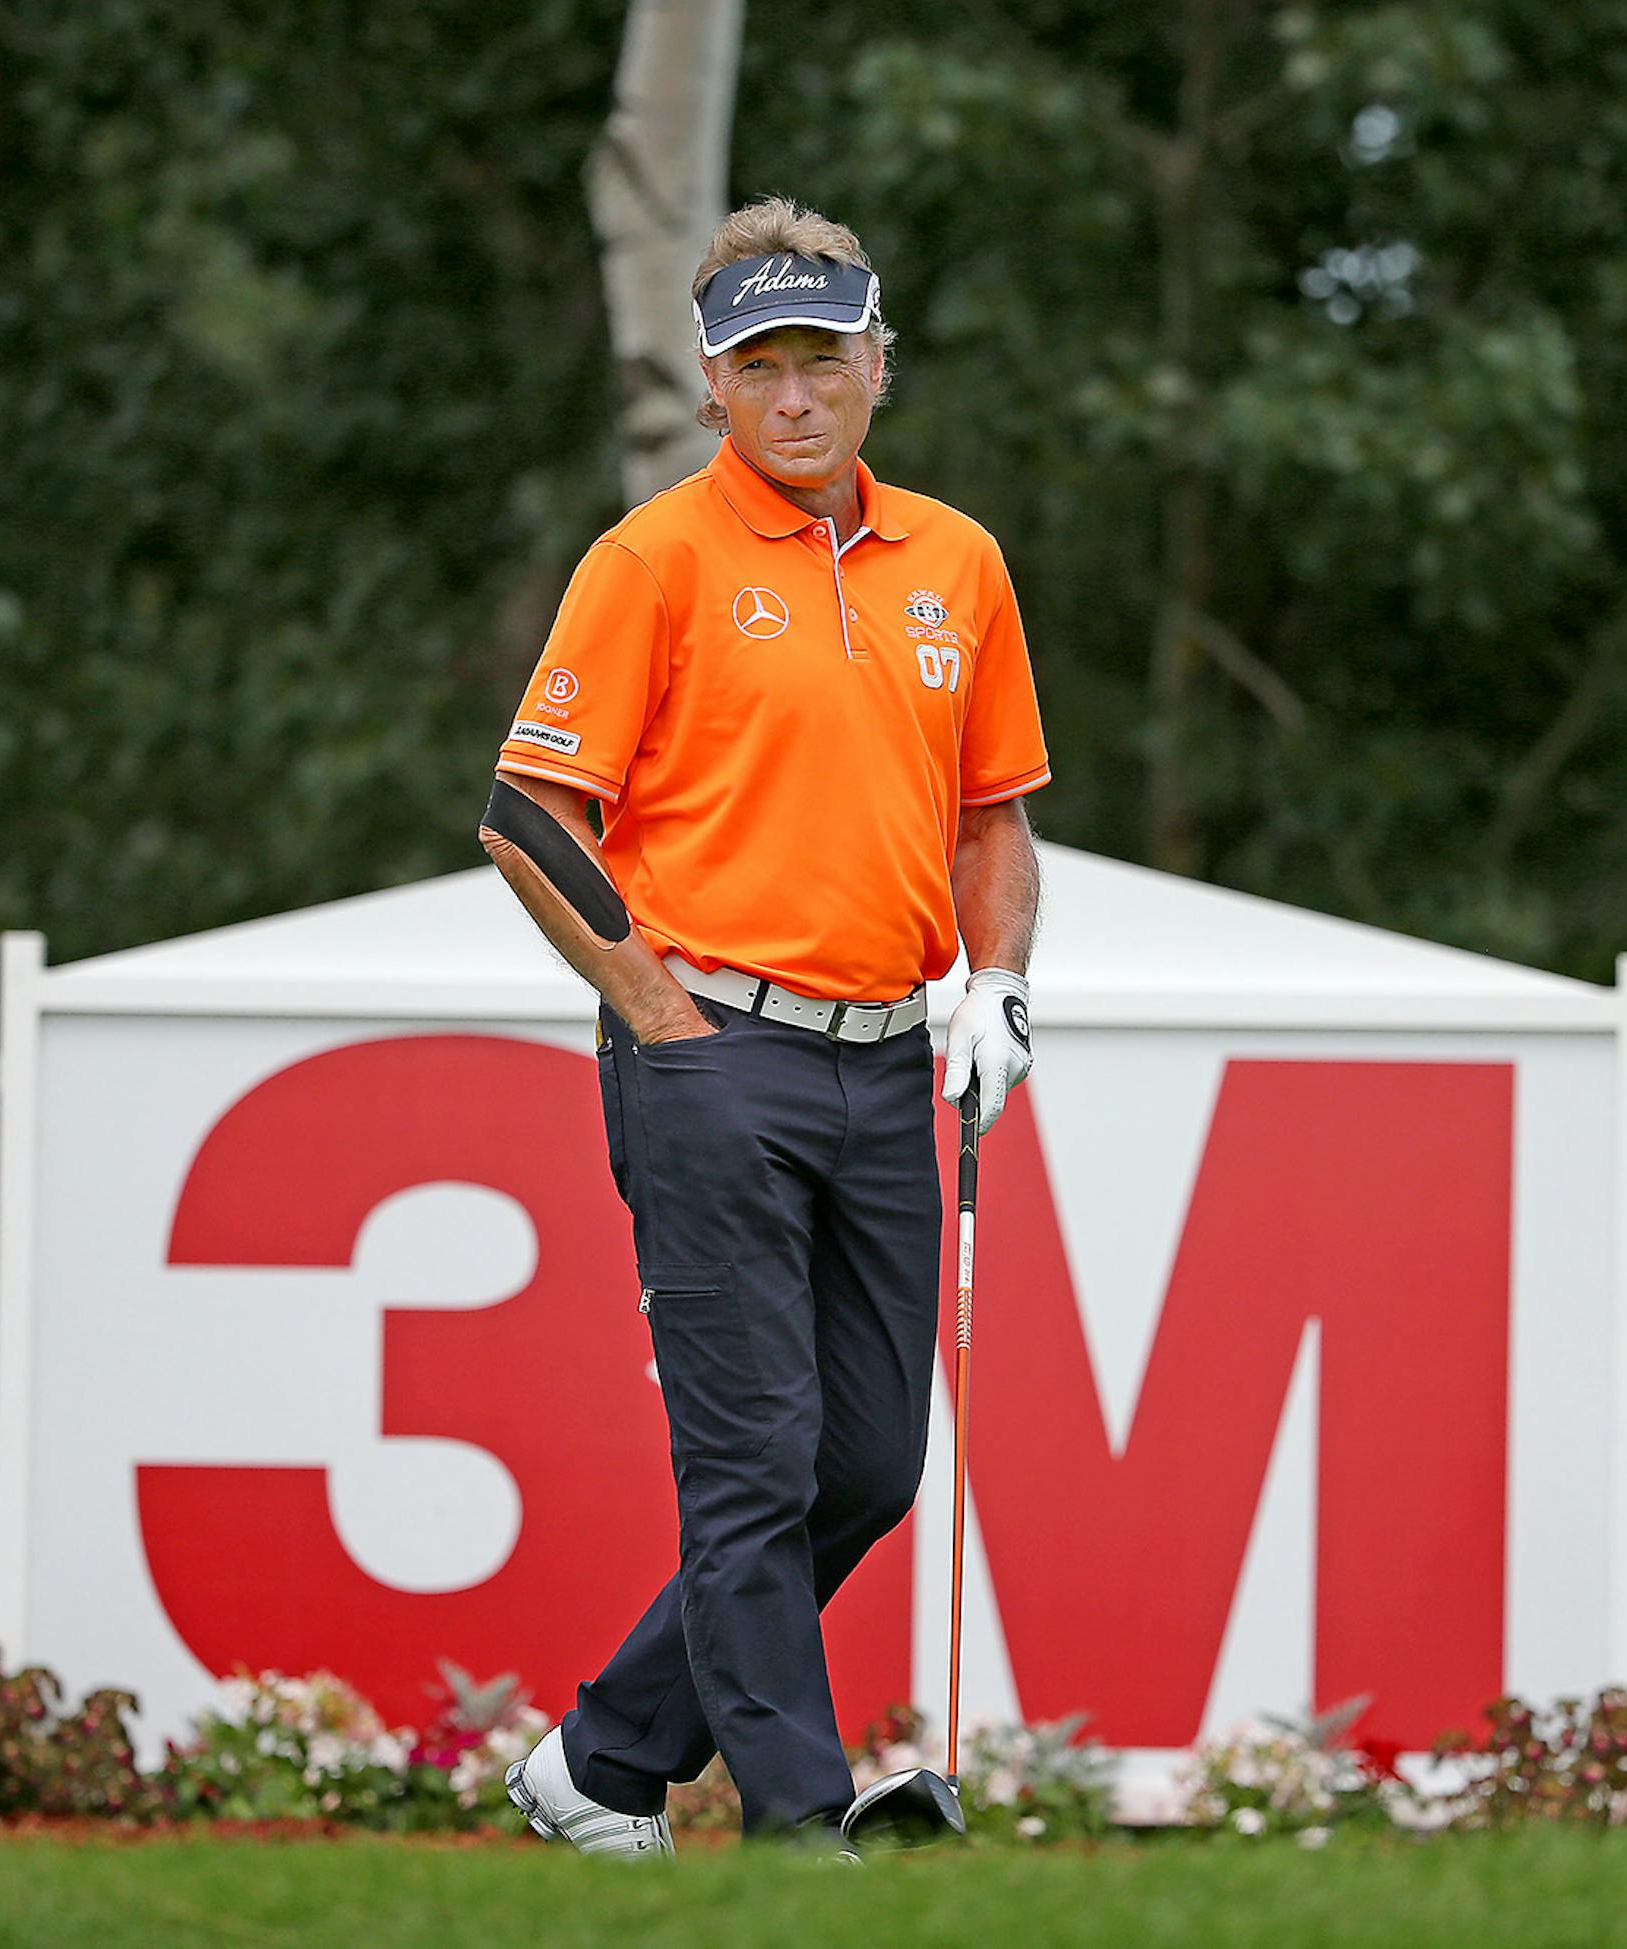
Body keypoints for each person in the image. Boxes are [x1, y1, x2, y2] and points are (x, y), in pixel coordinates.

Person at [479, 196, 1047, 1852]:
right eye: (760, 368)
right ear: (714, 385)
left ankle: (602, 1757)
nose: (796, 396)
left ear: (881, 366)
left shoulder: (960, 561)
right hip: (713, 1050)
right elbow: (529, 810)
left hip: (891, 1060)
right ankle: (803, 1830)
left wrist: (1000, 980)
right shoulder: (652, 557)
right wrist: (667, 1024)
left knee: (865, 1464)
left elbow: (994, 815)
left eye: (825, 360)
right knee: (750, 1461)